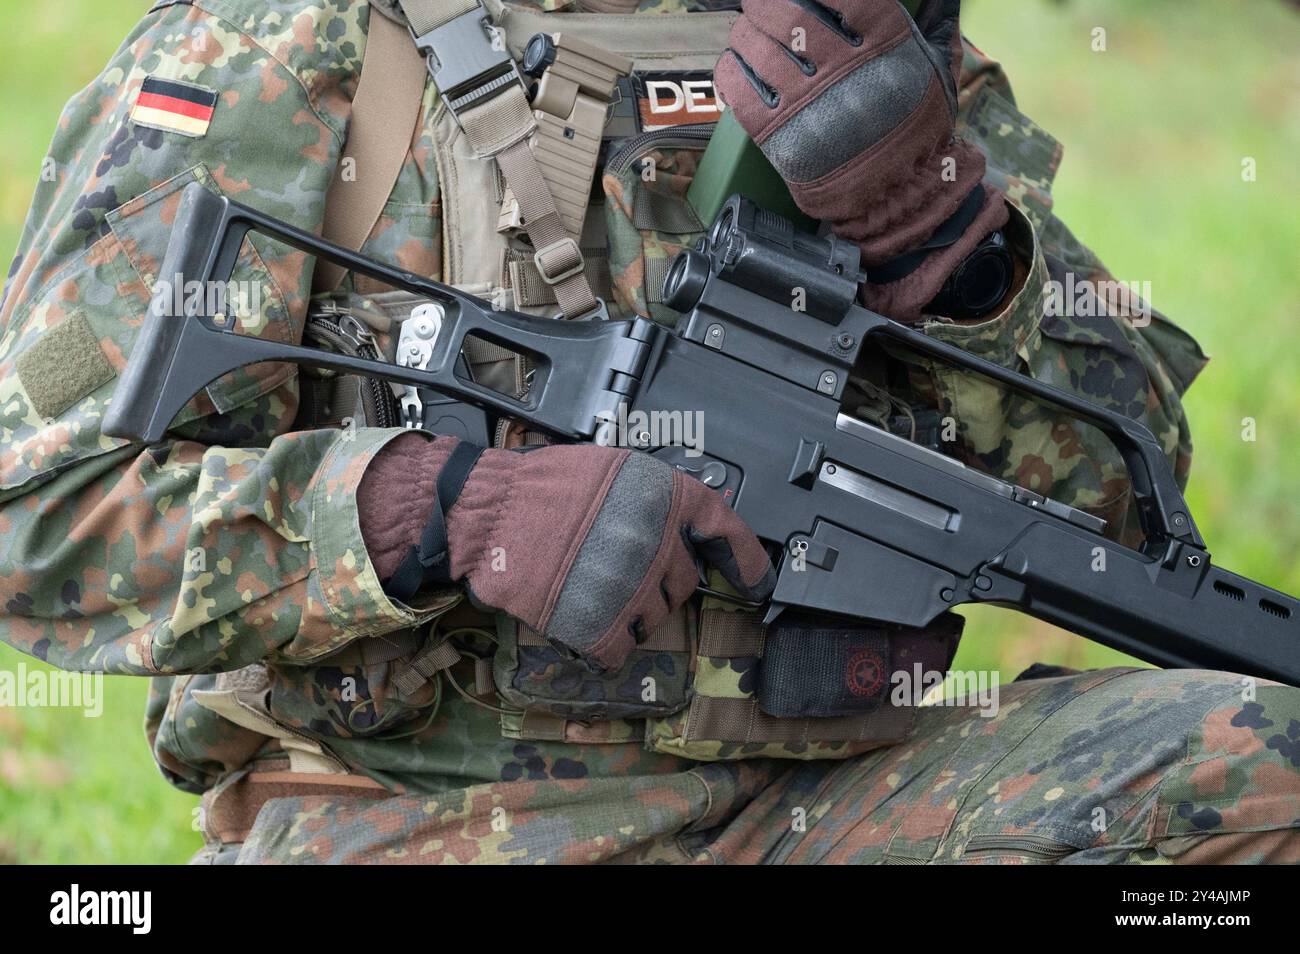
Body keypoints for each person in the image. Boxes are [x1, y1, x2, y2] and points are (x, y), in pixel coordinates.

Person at [0, 0, 1296, 864]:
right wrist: (436, 509)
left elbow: (1127, 505)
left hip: (820, 807)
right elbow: (36, 515)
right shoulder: (274, 48)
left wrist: (945, 236)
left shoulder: (832, 53)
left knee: (1262, 760)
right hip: (414, 820)